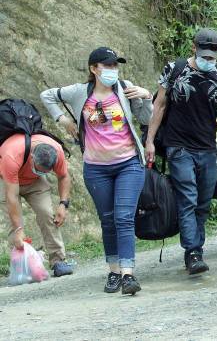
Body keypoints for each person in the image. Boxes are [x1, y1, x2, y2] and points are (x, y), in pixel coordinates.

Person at [40, 47, 152, 294]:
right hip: (96, 169)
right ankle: (113, 271)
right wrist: (63, 119)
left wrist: (144, 96)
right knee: (108, 220)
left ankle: (127, 275)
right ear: (94, 69)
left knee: (124, 218)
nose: (113, 70)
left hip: (128, 163)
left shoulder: (124, 87)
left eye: (115, 66)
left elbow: (146, 118)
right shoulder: (80, 92)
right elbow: (47, 95)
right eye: (108, 66)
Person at [145, 29, 217, 275]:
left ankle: (195, 248)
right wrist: (149, 140)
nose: (208, 60)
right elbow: (159, 105)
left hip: (207, 148)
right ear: (194, 48)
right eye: (204, 55)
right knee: (187, 198)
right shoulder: (175, 70)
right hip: (178, 146)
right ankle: (192, 251)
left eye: (212, 57)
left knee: (202, 201)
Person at [0, 136, 73, 277]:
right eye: (39, 169)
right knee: (13, 224)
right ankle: (22, 267)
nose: (43, 172)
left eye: (46, 171)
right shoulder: (12, 154)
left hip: (34, 182)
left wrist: (63, 205)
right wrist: (19, 229)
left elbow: (64, 176)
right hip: (6, 180)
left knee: (46, 213)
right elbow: (12, 197)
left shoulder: (57, 151)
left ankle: (58, 260)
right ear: (32, 157)